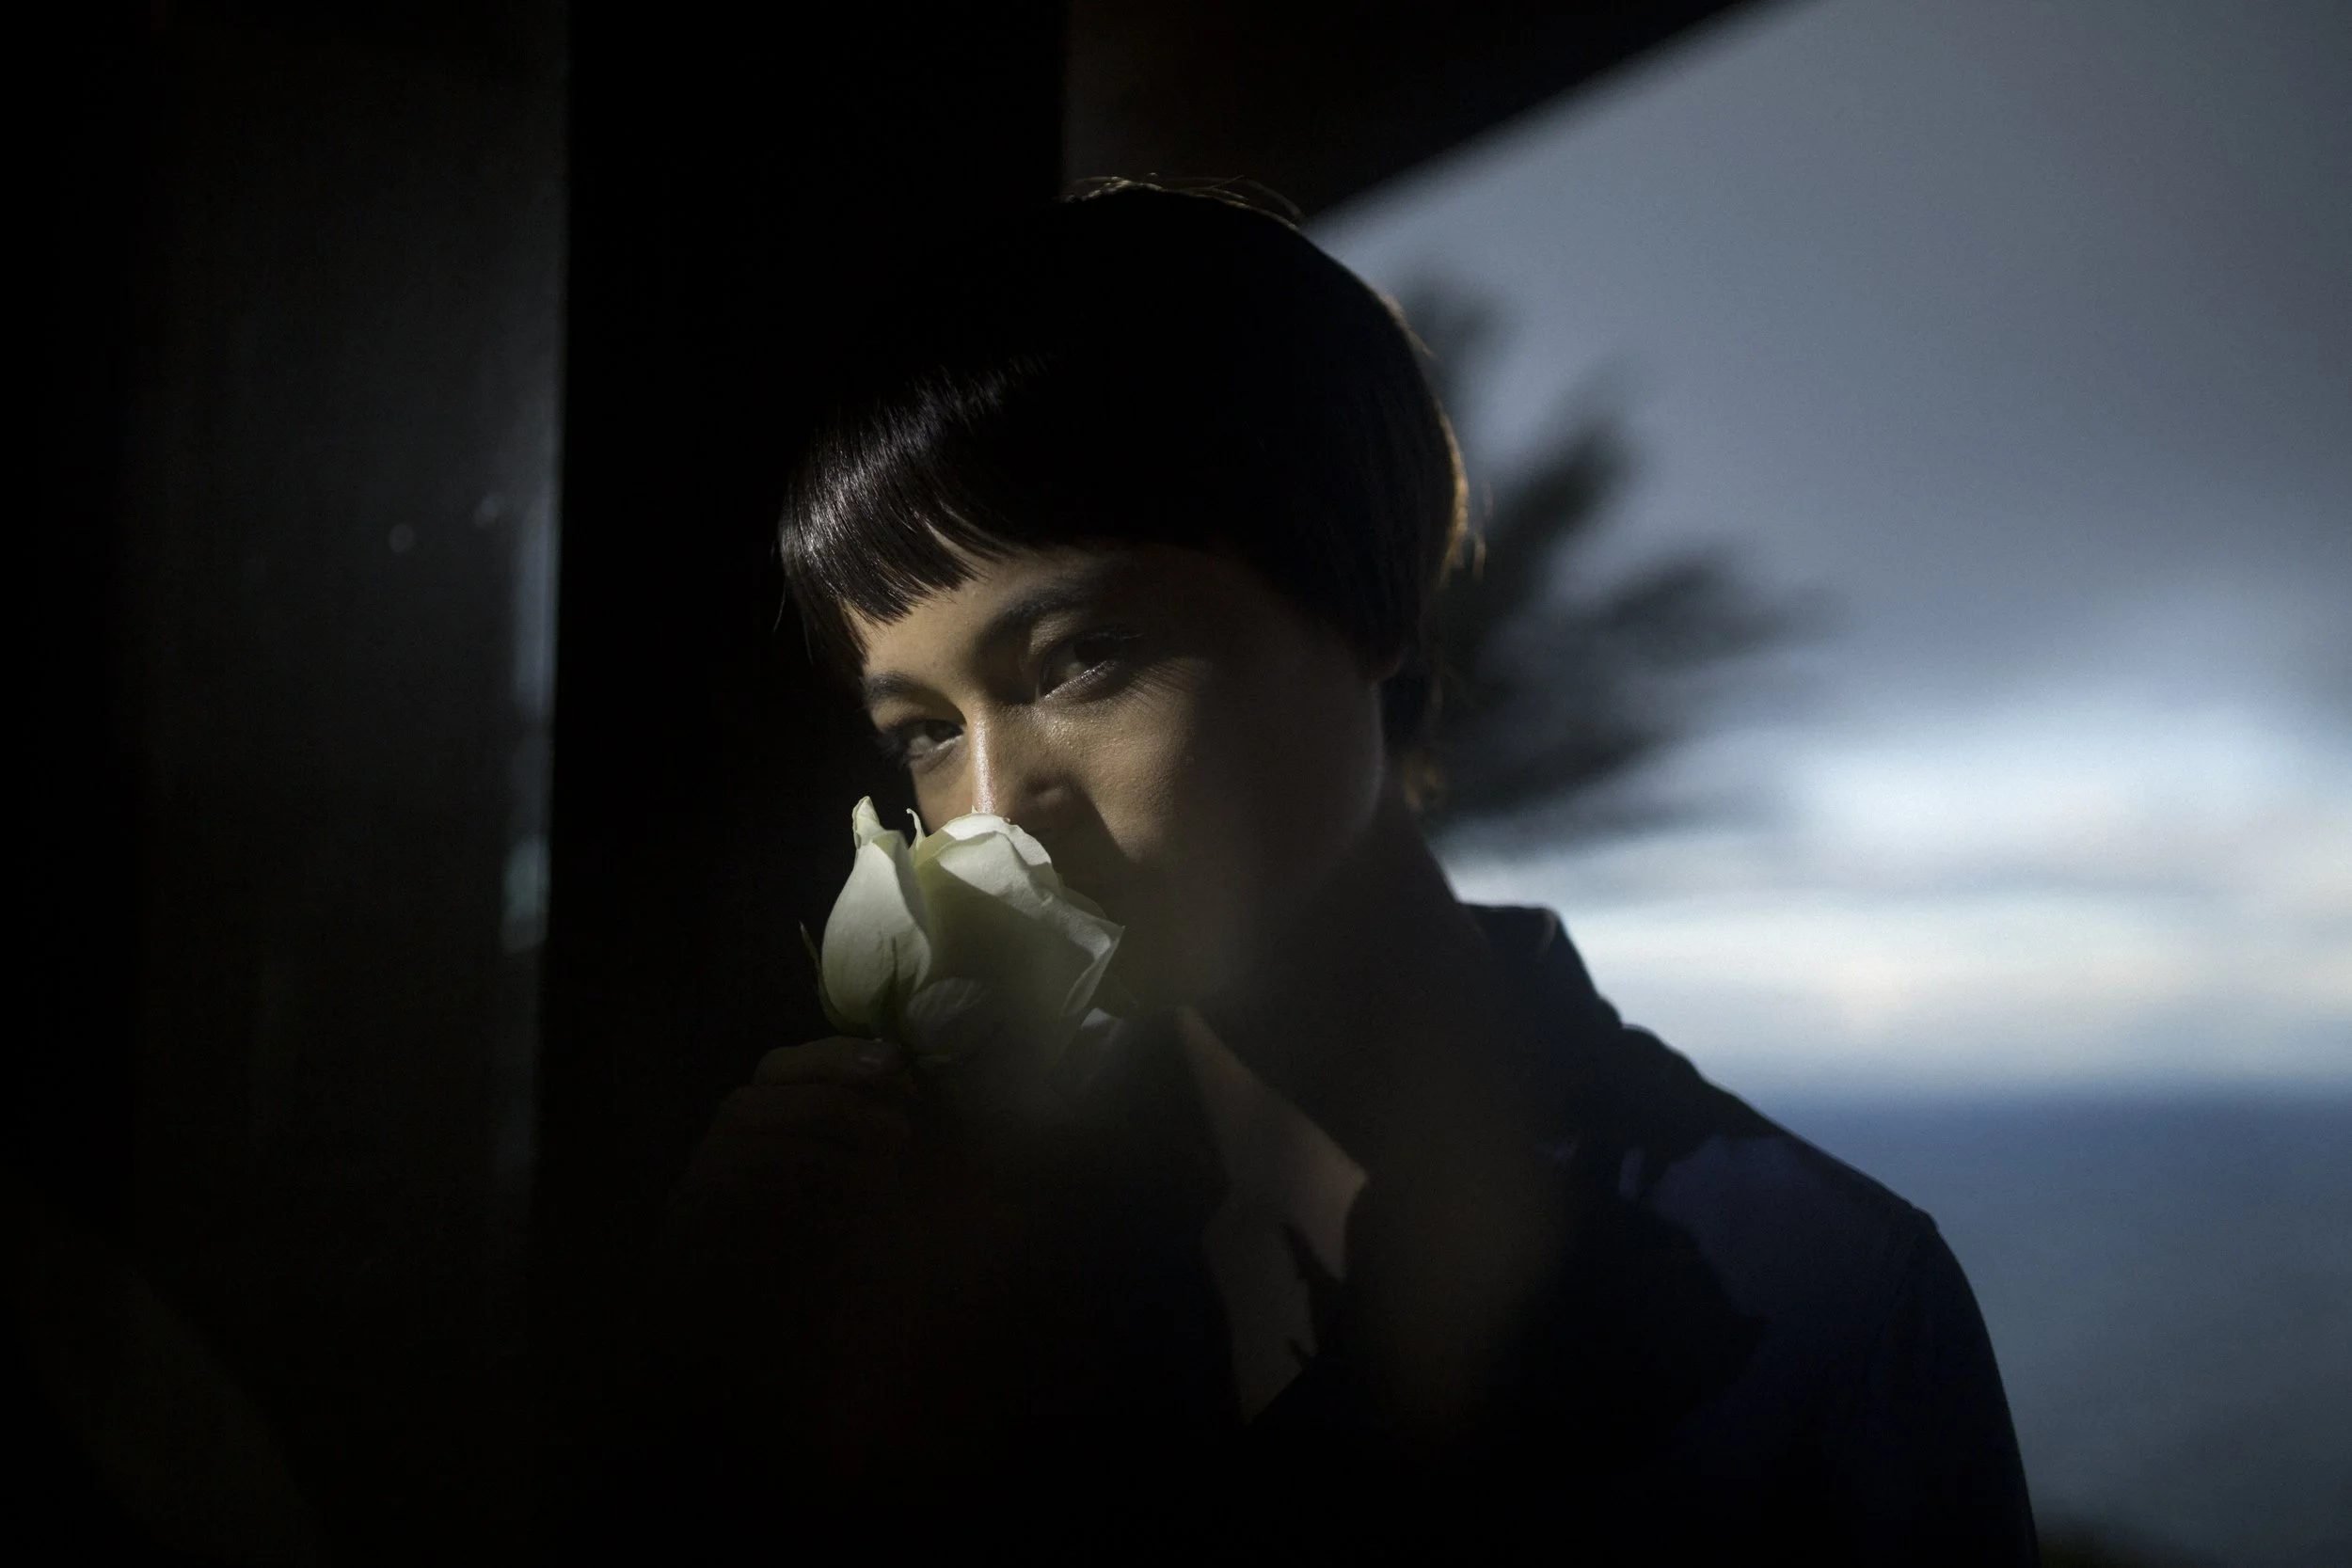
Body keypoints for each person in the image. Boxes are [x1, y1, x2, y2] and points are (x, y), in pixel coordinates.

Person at [642, 183, 2038, 1563]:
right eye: (926, 733)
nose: (1000, 817)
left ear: (1366, 598)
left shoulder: (1821, 1307)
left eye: (1080, 661)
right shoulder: (954, 1242)